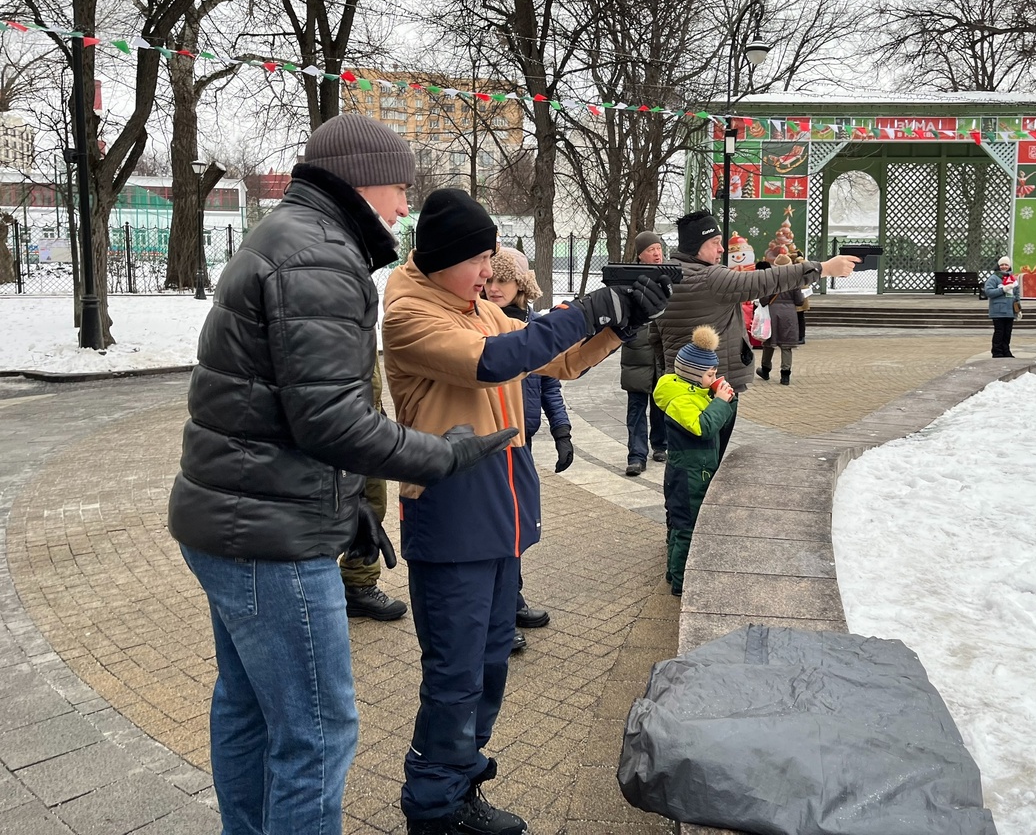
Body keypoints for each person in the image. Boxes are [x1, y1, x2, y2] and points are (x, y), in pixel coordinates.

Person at [167, 114, 515, 835]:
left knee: (249, 710)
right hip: (271, 537)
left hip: (235, 520)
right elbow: (328, 420)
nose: (401, 208)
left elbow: (287, 409)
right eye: (396, 188)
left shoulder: (287, 236)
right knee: (317, 733)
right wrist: (440, 456)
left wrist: (345, 494)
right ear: (361, 180)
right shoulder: (320, 257)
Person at [381, 188, 671, 835]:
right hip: (452, 510)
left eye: (491, 259)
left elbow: (555, 358)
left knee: (487, 667)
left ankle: (459, 785)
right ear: (444, 256)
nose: (490, 272)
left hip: (500, 507)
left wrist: (622, 323)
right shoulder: (409, 313)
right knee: (454, 674)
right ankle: (432, 807)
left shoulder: (472, 306)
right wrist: (592, 306)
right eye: (481, 259)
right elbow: (497, 363)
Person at [656, 209, 860, 458]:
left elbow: (653, 338)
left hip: (677, 389)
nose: (721, 250)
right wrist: (822, 268)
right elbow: (764, 280)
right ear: (696, 246)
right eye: (715, 243)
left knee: (686, 460)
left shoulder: (664, 277)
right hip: (714, 389)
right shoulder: (710, 278)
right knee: (708, 463)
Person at [483, 245, 572, 653]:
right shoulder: (485, 326)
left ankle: (511, 599)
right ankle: (498, 611)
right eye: (490, 279)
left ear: (522, 284)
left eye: (503, 279)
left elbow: (551, 384)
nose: (494, 286)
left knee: (519, 525)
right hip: (493, 442)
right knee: (499, 526)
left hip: (525, 439)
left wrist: (563, 430)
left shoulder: (535, 327)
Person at [653, 325, 736, 596]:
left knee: (680, 523)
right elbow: (703, 427)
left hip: (693, 470)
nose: (715, 377)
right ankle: (680, 582)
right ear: (693, 375)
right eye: (710, 374)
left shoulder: (693, 392)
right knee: (686, 527)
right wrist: (720, 402)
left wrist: (725, 399)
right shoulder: (680, 401)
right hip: (689, 474)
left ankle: (672, 571)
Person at [337, 362, 408, 621]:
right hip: (339, 428)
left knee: (373, 507)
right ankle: (312, 589)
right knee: (331, 507)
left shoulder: (363, 323)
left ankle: (358, 585)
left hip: (369, 423)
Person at [620, 231, 668, 476]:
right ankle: (636, 456)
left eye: (659, 248)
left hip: (661, 350)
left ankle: (660, 444)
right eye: (651, 250)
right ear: (640, 255)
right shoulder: (629, 279)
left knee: (662, 401)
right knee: (637, 407)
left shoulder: (669, 276)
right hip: (636, 353)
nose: (657, 253)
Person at [754, 253, 807, 385]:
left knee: (769, 342)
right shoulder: (794, 280)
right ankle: (785, 375)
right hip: (789, 315)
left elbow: (764, 300)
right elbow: (799, 301)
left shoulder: (771, 279)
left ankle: (765, 369)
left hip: (772, 314)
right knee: (786, 345)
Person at [983, 255, 1018, 359]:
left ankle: (1006, 351)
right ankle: (997, 351)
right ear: (998, 266)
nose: (1004, 266)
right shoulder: (994, 278)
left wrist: (1018, 308)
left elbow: (1017, 294)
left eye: (1006, 264)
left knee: (1007, 333)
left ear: (1009, 266)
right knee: (999, 332)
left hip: (1010, 310)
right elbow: (988, 292)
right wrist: (1003, 289)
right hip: (998, 310)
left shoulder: (1012, 278)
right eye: (1002, 265)